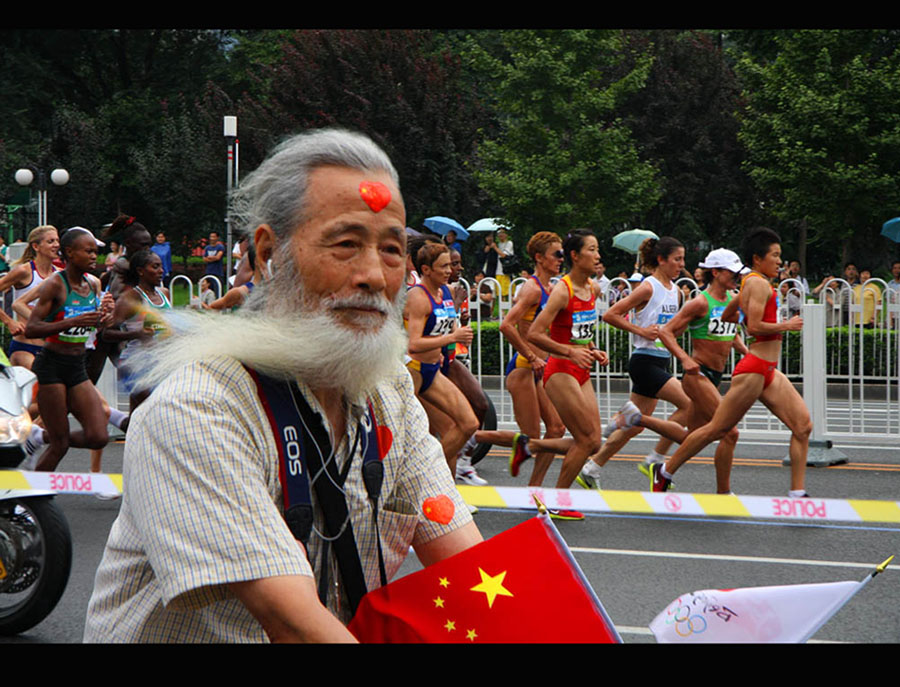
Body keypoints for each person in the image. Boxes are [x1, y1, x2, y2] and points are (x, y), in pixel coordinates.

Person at [84, 127, 481, 643]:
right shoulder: (199, 408)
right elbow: (293, 624)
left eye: (390, 249)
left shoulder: (388, 395)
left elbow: (473, 572)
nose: (373, 276)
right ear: (269, 253)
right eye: (346, 243)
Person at [650, 227, 811, 497]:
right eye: (775, 255)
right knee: (720, 429)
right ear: (758, 259)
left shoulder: (752, 284)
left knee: (803, 426)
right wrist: (787, 325)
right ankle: (665, 470)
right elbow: (755, 327)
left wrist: (741, 323)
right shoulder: (757, 283)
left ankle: (797, 494)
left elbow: (727, 316)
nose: (779, 261)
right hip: (751, 369)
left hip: (766, 369)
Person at [578, 236, 692, 489]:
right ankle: (656, 460)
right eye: (677, 259)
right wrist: (641, 331)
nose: (681, 265)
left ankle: (592, 467)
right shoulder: (649, 287)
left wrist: (679, 328)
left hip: (661, 359)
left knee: (634, 427)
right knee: (689, 404)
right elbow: (610, 314)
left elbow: (670, 330)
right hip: (645, 361)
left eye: (683, 259)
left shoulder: (676, 292)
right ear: (661, 260)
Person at [526, 229, 609, 515]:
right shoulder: (563, 290)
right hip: (560, 370)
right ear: (575, 255)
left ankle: (531, 446)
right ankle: (559, 502)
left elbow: (580, 332)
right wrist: (570, 351)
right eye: (592, 250)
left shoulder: (593, 288)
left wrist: (592, 348)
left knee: (594, 442)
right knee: (585, 439)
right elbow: (535, 334)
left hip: (582, 368)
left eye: (598, 250)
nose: (598, 256)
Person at [24, 227, 114, 472]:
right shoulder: (55, 284)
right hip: (52, 366)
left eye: (96, 252)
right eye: (89, 251)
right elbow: (31, 328)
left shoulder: (91, 284)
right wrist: (71, 322)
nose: (95, 256)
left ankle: (38, 437)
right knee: (60, 443)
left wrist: (104, 319)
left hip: (77, 366)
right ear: (70, 253)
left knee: (98, 436)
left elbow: (90, 323)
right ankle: (32, 501)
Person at [404, 241, 479, 477]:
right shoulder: (417, 297)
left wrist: (460, 332)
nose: (450, 270)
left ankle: (439, 487)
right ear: (426, 270)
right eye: (444, 266)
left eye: (450, 265)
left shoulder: (445, 291)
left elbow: (447, 326)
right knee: (409, 436)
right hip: (412, 371)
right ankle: (424, 481)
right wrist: (452, 337)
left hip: (432, 370)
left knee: (468, 424)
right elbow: (413, 343)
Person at [500, 231, 566, 487]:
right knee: (531, 437)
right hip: (524, 368)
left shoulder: (553, 287)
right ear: (539, 258)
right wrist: (531, 356)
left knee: (557, 429)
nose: (561, 259)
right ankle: (474, 437)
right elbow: (506, 325)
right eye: (556, 254)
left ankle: (534, 489)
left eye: (562, 254)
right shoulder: (531, 288)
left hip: (542, 368)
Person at [102, 248, 172, 412]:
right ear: (140, 271)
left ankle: (130, 435)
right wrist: (136, 334)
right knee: (150, 409)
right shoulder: (130, 298)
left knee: (142, 413)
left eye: (161, 266)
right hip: (136, 363)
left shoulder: (165, 293)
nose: (161, 271)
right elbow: (107, 334)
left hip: (161, 361)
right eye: (155, 267)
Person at [0, 226, 61, 369]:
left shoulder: (59, 275)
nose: (56, 245)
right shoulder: (24, 271)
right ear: (36, 246)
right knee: (40, 383)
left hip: (51, 348)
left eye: (57, 241)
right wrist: (9, 322)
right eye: (51, 241)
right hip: (24, 347)